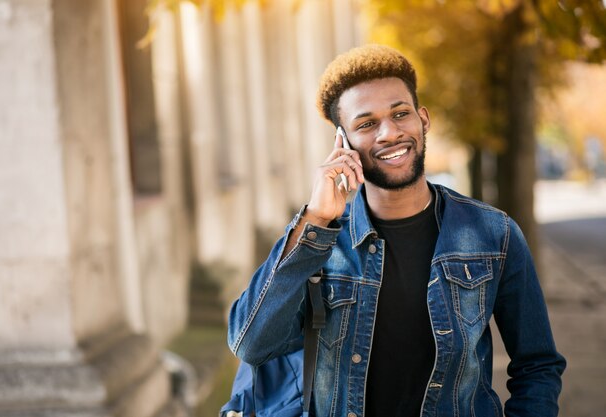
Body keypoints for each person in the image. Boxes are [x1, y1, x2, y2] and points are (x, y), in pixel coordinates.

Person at [227, 44, 565, 417]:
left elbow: (537, 365)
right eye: (367, 124)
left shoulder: (493, 234)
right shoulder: (318, 239)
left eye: (400, 114)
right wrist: (317, 219)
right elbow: (252, 344)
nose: (389, 133)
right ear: (344, 143)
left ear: (423, 119)